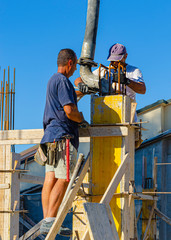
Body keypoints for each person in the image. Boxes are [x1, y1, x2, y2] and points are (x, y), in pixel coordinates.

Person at [39, 49, 84, 236]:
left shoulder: (53, 80)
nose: (74, 71)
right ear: (71, 63)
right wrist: (80, 118)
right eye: (75, 67)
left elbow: (67, 99)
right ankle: (51, 220)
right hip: (62, 137)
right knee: (64, 178)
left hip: (49, 136)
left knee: (50, 178)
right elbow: (69, 111)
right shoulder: (63, 80)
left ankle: (47, 220)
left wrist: (80, 90)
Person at [75, 43, 146, 102]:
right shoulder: (104, 70)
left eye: (116, 60)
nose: (113, 62)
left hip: (126, 113)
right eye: (112, 60)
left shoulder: (133, 71)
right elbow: (81, 78)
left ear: (125, 56)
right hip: (106, 112)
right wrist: (80, 84)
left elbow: (142, 90)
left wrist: (127, 81)